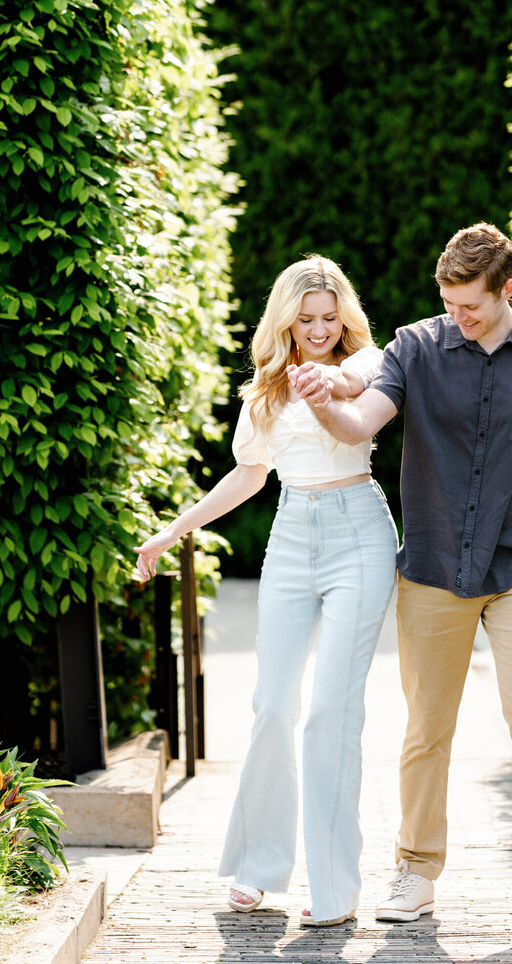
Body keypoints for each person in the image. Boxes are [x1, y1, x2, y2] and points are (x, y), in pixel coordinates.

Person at [291, 222, 512, 936]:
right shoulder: (417, 347)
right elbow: (361, 419)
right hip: (432, 566)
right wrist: (325, 398)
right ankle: (416, 873)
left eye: (472, 307)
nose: (459, 318)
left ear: (508, 289)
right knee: (426, 727)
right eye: (450, 304)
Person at [134, 256, 398, 926]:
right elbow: (247, 478)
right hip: (292, 536)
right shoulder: (264, 393)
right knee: (273, 704)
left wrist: (328, 380)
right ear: (285, 320)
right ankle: (259, 865)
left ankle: (335, 886)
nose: (317, 329)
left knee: (330, 714)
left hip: (359, 537)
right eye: (304, 319)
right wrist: (170, 532)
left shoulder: (368, 363)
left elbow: (353, 390)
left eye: (327, 317)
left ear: (344, 316)